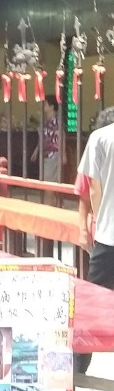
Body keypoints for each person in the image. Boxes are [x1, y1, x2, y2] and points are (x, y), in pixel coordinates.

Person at [74, 106, 114, 373]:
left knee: (90, 309)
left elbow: (93, 190)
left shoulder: (100, 138)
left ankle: (77, 375)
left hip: (109, 238)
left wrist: (96, 227)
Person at [30, 96, 61, 183]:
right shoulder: (46, 121)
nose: (42, 105)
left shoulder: (56, 121)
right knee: (49, 181)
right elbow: (44, 137)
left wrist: (63, 153)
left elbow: (61, 136)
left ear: (52, 107)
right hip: (46, 154)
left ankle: (49, 196)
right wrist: (37, 150)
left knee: (49, 183)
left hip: (53, 154)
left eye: (45, 104)